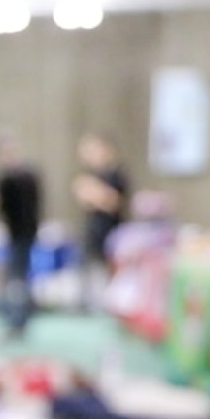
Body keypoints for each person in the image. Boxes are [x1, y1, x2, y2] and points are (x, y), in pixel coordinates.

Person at [70, 131, 130, 311]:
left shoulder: (115, 174)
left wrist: (94, 192)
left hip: (110, 233)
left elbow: (113, 201)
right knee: (87, 273)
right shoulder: (91, 175)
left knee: (107, 275)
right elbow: (84, 198)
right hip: (92, 232)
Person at [0, 134, 43, 339]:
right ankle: (20, 317)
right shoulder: (29, 175)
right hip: (20, 235)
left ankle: (17, 319)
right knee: (19, 279)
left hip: (20, 236)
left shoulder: (11, 178)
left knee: (15, 281)